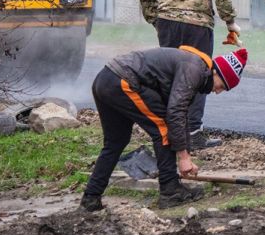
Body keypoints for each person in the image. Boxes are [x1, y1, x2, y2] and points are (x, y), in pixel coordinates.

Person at [80, 45, 248, 212]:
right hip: (123, 81)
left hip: (105, 79)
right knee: (163, 129)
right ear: (217, 73)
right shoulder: (194, 69)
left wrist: (187, 155)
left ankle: (91, 197)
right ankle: (170, 191)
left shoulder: (194, 67)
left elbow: (181, 115)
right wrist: (183, 158)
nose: (218, 92)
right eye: (223, 86)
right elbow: (175, 113)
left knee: (115, 142)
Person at [135, 0, 239, 148]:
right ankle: (193, 132)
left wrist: (156, 19)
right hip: (198, 24)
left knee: (168, 74)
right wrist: (230, 22)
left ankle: (169, 132)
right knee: (198, 74)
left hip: (167, 23)